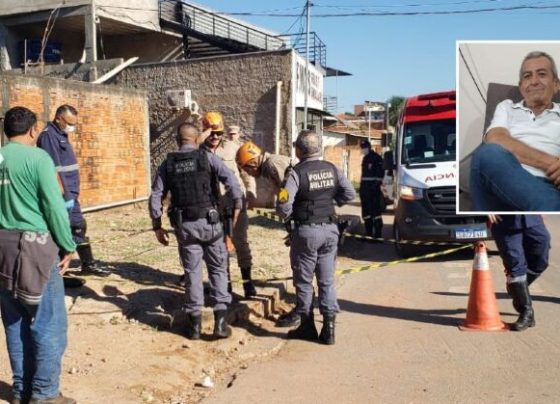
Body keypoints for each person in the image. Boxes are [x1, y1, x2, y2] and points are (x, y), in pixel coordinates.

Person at [0, 107, 77, 404]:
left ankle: (21, 390)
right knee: (49, 322)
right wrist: (68, 245)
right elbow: (55, 208)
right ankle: (44, 393)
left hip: (3, 249)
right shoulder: (38, 158)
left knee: (15, 321)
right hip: (35, 248)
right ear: (33, 131)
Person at [149, 122, 242, 340]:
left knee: (192, 273)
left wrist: (157, 226)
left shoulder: (167, 164)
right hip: (211, 225)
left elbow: (155, 196)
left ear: (177, 140)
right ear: (196, 138)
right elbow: (231, 181)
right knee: (218, 270)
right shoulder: (207, 157)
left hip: (185, 228)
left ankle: (194, 327)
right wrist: (236, 204)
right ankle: (220, 323)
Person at [276, 130, 356, 345]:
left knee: (303, 281)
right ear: (318, 148)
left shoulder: (295, 173)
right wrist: (330, 204)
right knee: (327, 281)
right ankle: (329, 330)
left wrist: (287, 214)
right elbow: (350, 194)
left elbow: (284, 203)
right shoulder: (332, 169)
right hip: (330, 230)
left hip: (306, 233)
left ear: (299, 150)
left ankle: (307, 326)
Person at [470, 51, 560, 211]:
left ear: (556, 84)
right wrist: (551, 163)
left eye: (542, 74)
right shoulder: (507, 107)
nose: (534, 81)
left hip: (549, 185)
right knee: (487, 153)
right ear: (521, 87)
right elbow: (495, 138)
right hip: (500, 181)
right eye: (527, 76)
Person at [37, 105, 110, 276]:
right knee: (68, 227)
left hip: (70, 192)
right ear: (58, 118)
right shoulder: (48, 136)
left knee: (77, 226)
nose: (72, 127)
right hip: (63, 194)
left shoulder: (60, 134)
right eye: (69, 123)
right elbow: (53, 169)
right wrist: (65, 195)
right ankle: (61, 270)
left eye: (74, 123)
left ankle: (86, 264)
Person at [236, 141, 302, 327]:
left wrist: (290, 222)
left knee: (301, 265)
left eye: (246, 170)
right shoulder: (270, 165)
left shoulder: (272, 165)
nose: (248, 174)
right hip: (301, 214)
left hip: (303, 215)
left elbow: (286, 193)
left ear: (253, 164)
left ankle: (302, 310)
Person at [201, 112, 257, 298]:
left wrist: (250, 191)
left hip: (235, 204)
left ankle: (248, 285)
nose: (215, 137)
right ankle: (226, 286)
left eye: (219, 133)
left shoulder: (233, 148)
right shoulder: (198, 152)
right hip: (212, 207)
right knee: (218, 245)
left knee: (240, 241)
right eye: (211, 133)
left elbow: (246, 172)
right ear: (204, 131)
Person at [489, 215, 550, 331]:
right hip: (504, 222)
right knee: (516, 265)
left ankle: (515, 287)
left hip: (531, 218)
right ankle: (526, 312)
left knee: (541, 256)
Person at [359, 139, 384, 239]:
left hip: (373, 190)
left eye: (364, 148)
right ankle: (368, 233)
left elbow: (380, 175)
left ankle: (377, 235)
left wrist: (375, 186)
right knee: (366, 212)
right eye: (362, 148)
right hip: (365, 189)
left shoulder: (376, 158)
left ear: (369, 147)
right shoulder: (365, 158)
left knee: (375, 212)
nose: (362, 150)